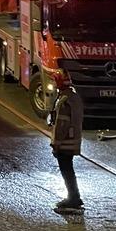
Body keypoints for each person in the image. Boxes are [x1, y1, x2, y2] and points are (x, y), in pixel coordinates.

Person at [49, 84, 84, 213]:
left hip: (65, 143)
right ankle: (74, 197)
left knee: (66, 171)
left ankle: (73, 198)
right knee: (69, 169)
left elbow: (61, 125)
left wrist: (56, 144)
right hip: (73, 140)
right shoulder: (75, 97)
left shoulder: (64, 101)